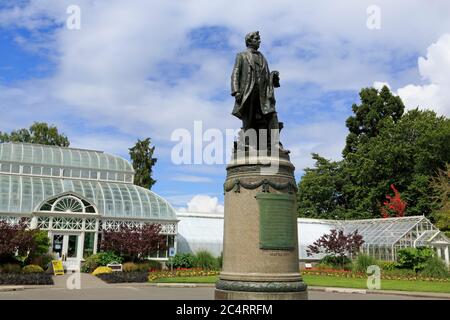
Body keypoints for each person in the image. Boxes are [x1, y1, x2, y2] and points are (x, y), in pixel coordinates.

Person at [231, 31, 284, 151]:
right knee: (249, 118)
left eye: (259, 39)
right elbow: (235, 73)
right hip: (248, 91)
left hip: (263, 93)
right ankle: (248, 143)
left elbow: (266, 76)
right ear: (249, 41)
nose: (259, 41)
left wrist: (273, 77)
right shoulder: (242, 55)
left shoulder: (262, 57)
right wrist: (236, 91)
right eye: (256, 39)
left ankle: (275, 144)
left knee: (272, 115)